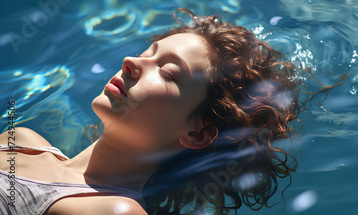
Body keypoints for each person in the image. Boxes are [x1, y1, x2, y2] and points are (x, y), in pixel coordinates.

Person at [0, 8, 302, 215]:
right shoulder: (21, 141)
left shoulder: (118, 210)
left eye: (168, 72)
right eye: (148, 53)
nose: (131, 61)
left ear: (197, 134)